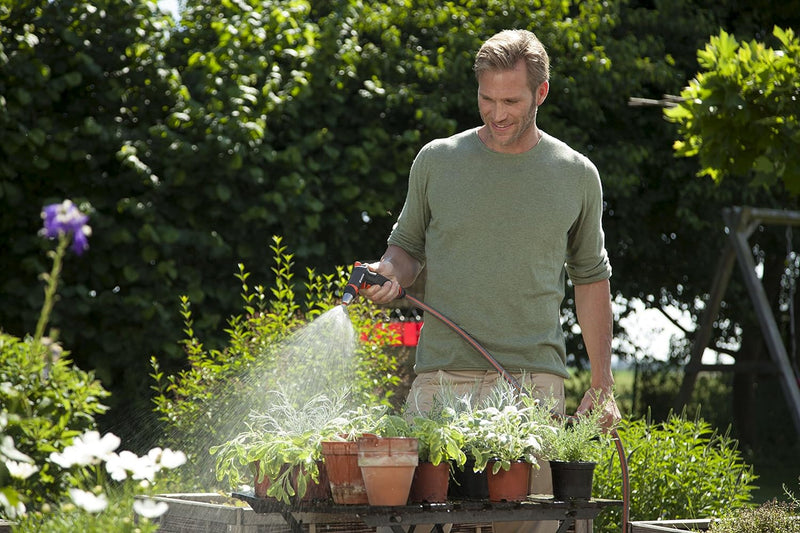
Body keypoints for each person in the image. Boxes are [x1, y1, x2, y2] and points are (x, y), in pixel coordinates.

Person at [362, 28, 621, 533]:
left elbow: (591, 278)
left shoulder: (576, 174)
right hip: (439, 380)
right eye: (486, 98)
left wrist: (602, 384)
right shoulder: (437, 161)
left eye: (511, 100)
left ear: (541, 93)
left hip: (531, 384)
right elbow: (406, 249)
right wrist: (388, 273)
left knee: (527, 525)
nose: (497, 113)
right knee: (417, 523)